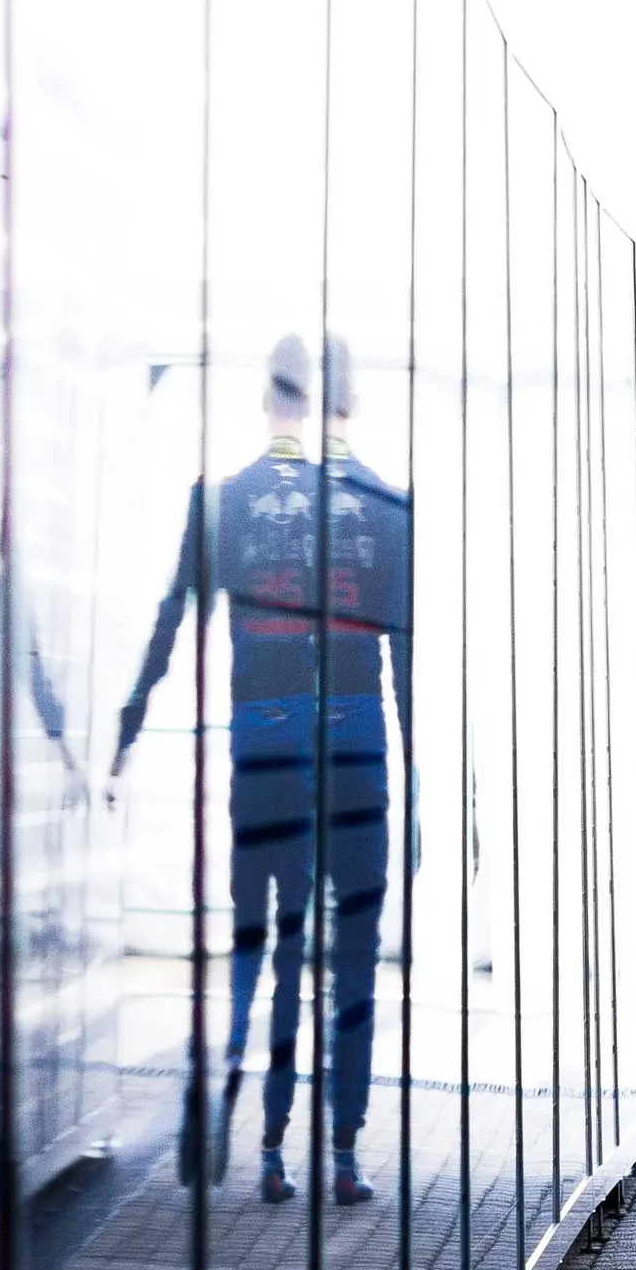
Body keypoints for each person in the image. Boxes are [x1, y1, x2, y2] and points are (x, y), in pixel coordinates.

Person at [113, 334, 411, 1205]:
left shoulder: (224, 499)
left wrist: (126, 729)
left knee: (265, 939)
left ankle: (255, 1123)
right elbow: (404, 656)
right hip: (355, 734)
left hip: (264, 734)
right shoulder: (386, 504)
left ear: (265, 400)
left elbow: (174, 623)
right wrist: (424, 771)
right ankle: (344, 1152)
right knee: (351, 946)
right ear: (344, 401)